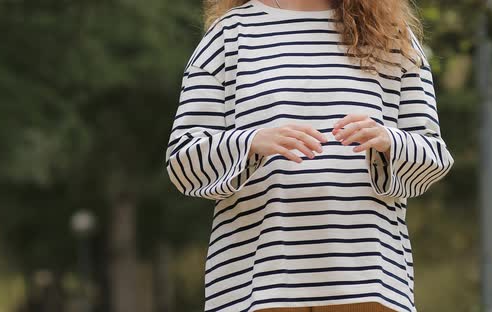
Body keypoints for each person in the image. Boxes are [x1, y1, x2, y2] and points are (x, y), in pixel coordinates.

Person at [164, 0, 455, 311]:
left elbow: (433, 158)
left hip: (368, 281)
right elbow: (183, 161)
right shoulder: (230, 35)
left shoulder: (392, 36)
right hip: (257, 284)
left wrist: (388, 140)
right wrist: (251, 142)